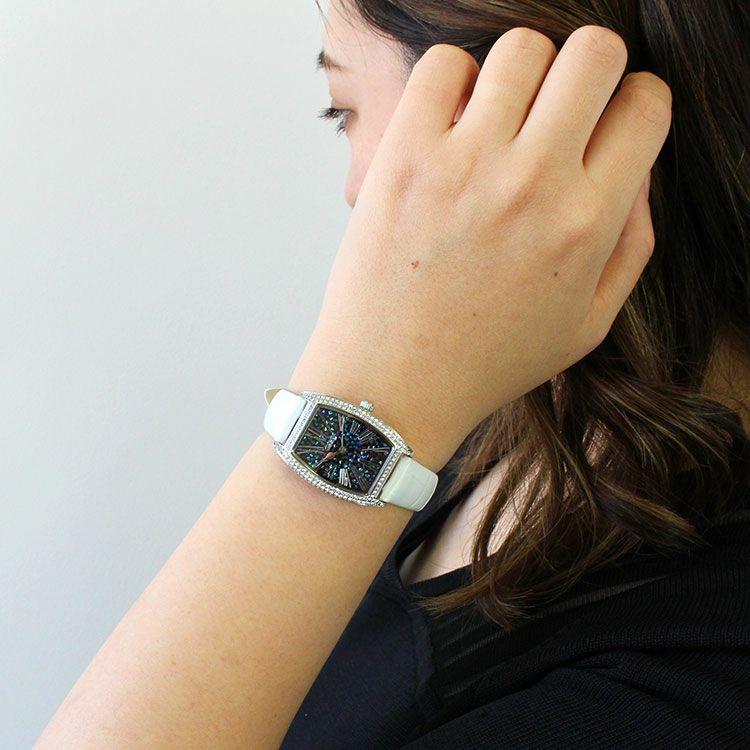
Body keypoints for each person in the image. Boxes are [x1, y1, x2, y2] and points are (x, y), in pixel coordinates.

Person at [35, 0, 750, 748]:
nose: (353, 188)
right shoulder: (494, 407)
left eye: (341, 110)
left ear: (530, 120)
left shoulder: (687, 691)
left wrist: (365, 384)